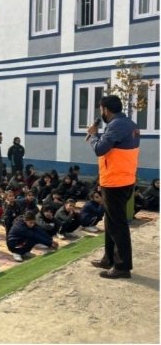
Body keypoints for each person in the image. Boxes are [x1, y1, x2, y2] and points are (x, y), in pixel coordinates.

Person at [87, 95, 140, 279]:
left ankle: (122, 267)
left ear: (105, 109)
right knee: (111, 222)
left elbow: (100, 149)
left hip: (116, 182)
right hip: (123, 179)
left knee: (118, 225)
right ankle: (109, 259)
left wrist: (94, 135)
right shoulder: (130, 124)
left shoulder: (116, 125)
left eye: (100, 109)